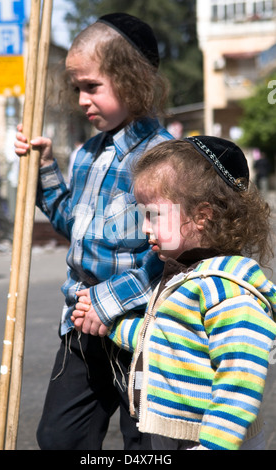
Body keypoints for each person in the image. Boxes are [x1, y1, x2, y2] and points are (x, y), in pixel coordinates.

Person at [14, 13, 172, 450]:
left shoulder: (163, 160)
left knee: (146, 443)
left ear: (133, 80)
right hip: (82, 326)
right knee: (59, 437)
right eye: (77, 89)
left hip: (140, 330)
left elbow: (170, 257)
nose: (83, 100)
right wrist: (46, 169)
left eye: (93, 86)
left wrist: (107, 301)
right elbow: (75, 226)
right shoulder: (87, 154)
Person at [73, 136, 276, 450]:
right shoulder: (182, 276)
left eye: (153, 215)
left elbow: (240, 378)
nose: (144, 229)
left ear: (201, 215)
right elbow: (161, 338)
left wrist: (213, 445)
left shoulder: (225, 291)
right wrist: (109, 324)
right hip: (176, 435)